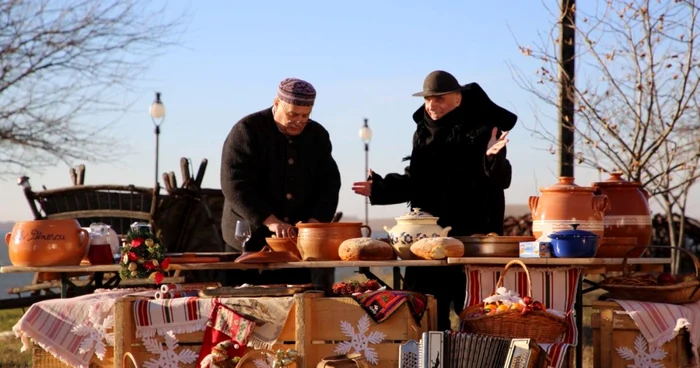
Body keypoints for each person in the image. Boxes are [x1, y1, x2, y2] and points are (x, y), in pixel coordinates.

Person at [352, 70, 516, 331]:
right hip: (427, 241)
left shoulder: (484, 129)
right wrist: (380, 188)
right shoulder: (423, 132)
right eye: (428, 99)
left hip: (470, 240)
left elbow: (500, 180)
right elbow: (416, 180)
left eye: (439, 98)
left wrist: (492, 159)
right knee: (426, 317)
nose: (432, 105)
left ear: (458, 99)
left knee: (476, 319)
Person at [220, 77, 342, 286]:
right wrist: (270, 220)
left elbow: (329, 183)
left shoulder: (317, 135)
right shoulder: (247, 129)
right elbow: (234, 183)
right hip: (247, 241)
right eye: (293, 114)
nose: (299, 121)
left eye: (305, 116)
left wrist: (315, 221)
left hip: (293, 245)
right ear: (277, 103)